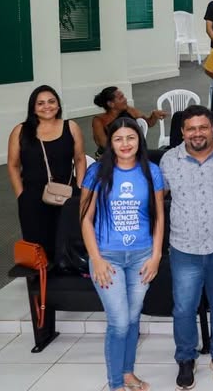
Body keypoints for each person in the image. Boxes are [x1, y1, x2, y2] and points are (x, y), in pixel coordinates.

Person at [160, 106, 213, 389]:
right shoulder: (169, 160)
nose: (197, 133)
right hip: (184, 247)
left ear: (212, 128)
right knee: (184, 307)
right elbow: (156, 200)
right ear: (183, 132)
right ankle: (185, 358)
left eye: (203, 127)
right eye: (191, 128)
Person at [81, 117, 165, 391]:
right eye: (118, 139)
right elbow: (85, 219)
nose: (125, 144)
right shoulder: (96, 172)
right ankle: (115, 383)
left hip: (142, 257)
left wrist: (156, 256)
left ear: (139, 140)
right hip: (107, 258)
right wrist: (96, 259)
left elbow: (159, 217)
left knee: (132, 319)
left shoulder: (151, 171)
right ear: (110, 142)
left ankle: (127, 373)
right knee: (118, 322)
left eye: (131, 137)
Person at [8, 85, 87, 259]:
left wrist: (80, 188)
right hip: (32, 199)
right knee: (38, 248)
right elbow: (13, 165)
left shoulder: (71, 127)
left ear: (58, 105)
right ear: (33, 108)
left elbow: (80, 159)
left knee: (69, 244)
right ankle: (42, 276)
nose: (47, 106)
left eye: (51, 101)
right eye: (40, 103)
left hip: (67, 195)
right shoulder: (20, 131)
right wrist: (21, 195)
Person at [91, 86, 166, 152]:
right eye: (121, 98)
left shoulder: (129, 110)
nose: (125, 99)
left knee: (165, 155)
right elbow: (105, 145)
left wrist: (154, 116)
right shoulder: (99, 121)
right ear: (111, 104)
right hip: (115, 158)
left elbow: (148, 123)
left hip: (137, 152)